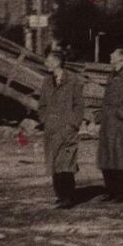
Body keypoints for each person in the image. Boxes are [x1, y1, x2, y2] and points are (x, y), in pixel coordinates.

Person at [37, 52, 85, 209]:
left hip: (67, 129)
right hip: (51, 129)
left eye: (49, 61)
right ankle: (60, 195)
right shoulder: (46, 81)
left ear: (57, 62)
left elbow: (79, 105)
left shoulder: (73, 80)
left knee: (66, 163)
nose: (46, 64)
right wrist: (45, 119)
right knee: (54, 164)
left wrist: (73, 124)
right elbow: (42, 104)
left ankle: (68, 196)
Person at [97, 48, 123, 202]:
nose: (110, 62)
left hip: (121, 124)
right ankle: (111, 191)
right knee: (107, 157)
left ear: (121, 60)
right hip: (108, 124)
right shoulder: (111, 76)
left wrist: (121, 114)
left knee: (121, 157)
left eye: (112, 59)